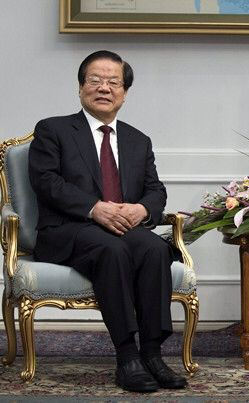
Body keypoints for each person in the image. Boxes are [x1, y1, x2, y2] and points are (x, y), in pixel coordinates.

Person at [28, 50, 187, 393]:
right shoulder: (53, 129)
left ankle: (152, 353)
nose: (104, 88)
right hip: (69, 230)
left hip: (122, 228)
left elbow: (155, 190)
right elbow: (46, 181)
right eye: (95, 80)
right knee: (111, 249)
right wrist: (93, 208)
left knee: (155, 249)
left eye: (113, 82)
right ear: (80, 87)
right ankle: (127, 357)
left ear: (124, 93)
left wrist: (142, 210)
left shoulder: (137, 140)